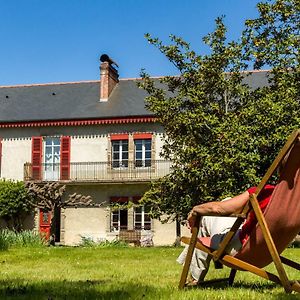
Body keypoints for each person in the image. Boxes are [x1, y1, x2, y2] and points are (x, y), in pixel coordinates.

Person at [177, 184, 276, 285]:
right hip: (270, 251)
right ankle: (199, 270)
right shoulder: (287, 201)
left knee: (204, 215)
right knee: (224, 202)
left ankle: (195, 278)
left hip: (241, 247)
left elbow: (218, 209)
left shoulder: (264, 190)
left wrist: (194, 210)